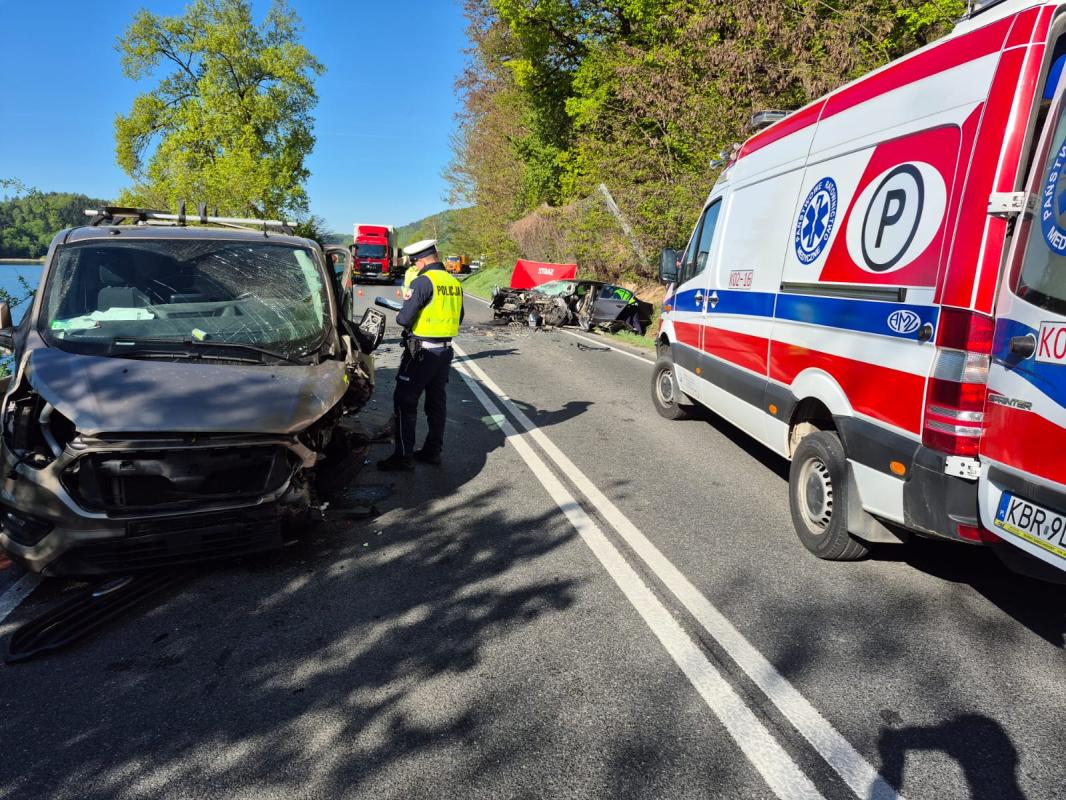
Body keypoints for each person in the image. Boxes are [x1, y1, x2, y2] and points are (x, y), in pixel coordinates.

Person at [378, 239, 465, 471]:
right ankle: (432, 451)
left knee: (404, 401)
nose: (415, 265)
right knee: (436, 403)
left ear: (423, 259)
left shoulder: (423, 282)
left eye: (415, 261)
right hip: (445, 351)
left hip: (421, 353)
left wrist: (406, 315)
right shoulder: (453, 282)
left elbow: (404, 319)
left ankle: (403, 457)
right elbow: (459, 316)